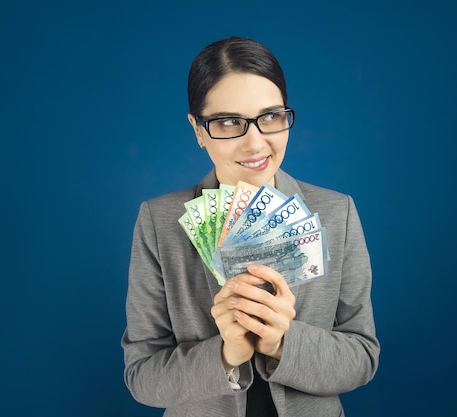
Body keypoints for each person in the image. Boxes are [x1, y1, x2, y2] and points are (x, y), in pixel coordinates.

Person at [121, 36, 380, 417]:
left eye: (271, 117)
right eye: (228, 122)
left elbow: (363, 357)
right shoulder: (159, 222)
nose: (256, 143)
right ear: (198, 129)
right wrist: (225, 354)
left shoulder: (336, 212)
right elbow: (142, 376)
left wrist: (283, 343)